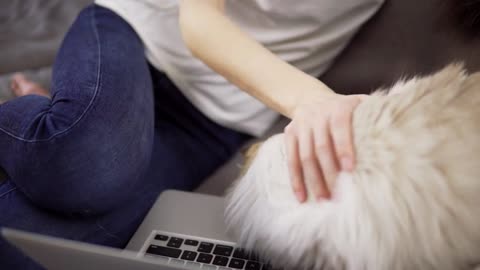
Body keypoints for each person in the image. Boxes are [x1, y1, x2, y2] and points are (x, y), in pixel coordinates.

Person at [0, 0, 384, 268]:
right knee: (80, 161)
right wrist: (312, 102)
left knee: (20, 243)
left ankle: (66, 122)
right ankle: (62, 128)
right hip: (139, 37)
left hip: (215, 121)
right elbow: (201, 24)